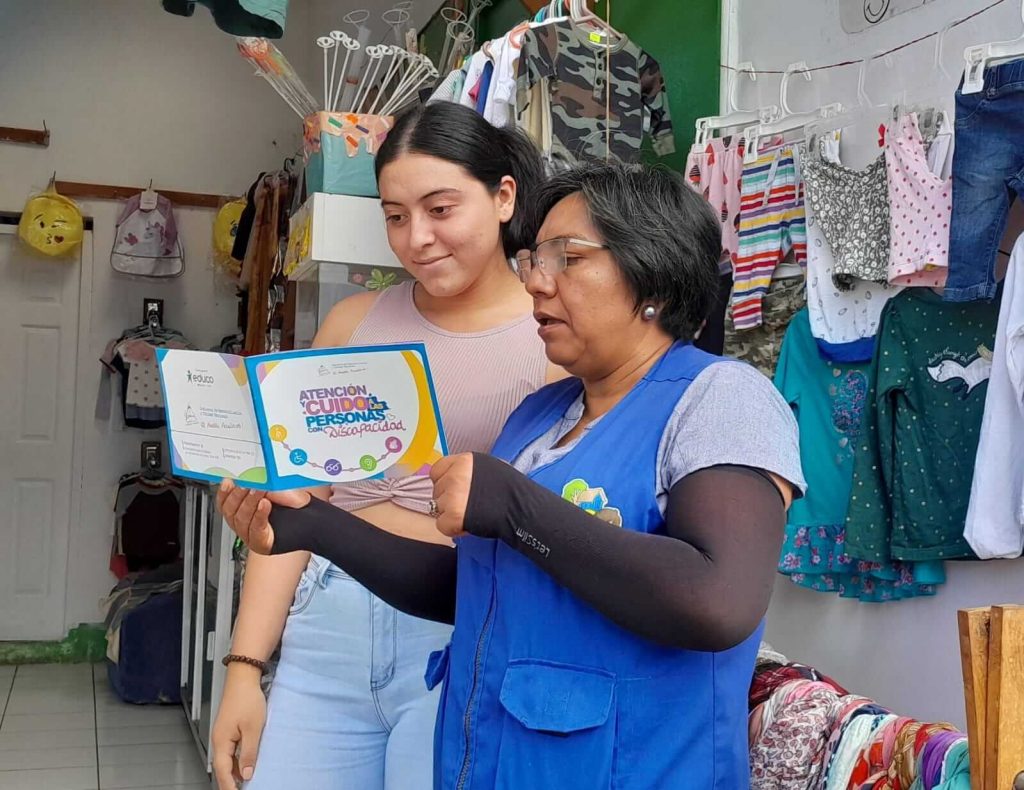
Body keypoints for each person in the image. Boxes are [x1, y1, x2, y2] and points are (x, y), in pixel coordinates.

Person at [219, 161, 806, 788]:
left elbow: (718, 603)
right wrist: (312, 526)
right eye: (534, 260)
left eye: (567, 258)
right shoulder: (540, 416)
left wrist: (517, 509)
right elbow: (476, 588)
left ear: (652, 272)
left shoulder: (720, 397)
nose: (537, 284)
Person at [211, 101, 561, 790]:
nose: (416, 238)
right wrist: (246, 668)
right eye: (395, 216)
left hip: (458, 632)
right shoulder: (352, 323)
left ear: (503, 197)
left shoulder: (553, 338)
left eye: (440, 209)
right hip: (327, 627)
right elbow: (294, 509)